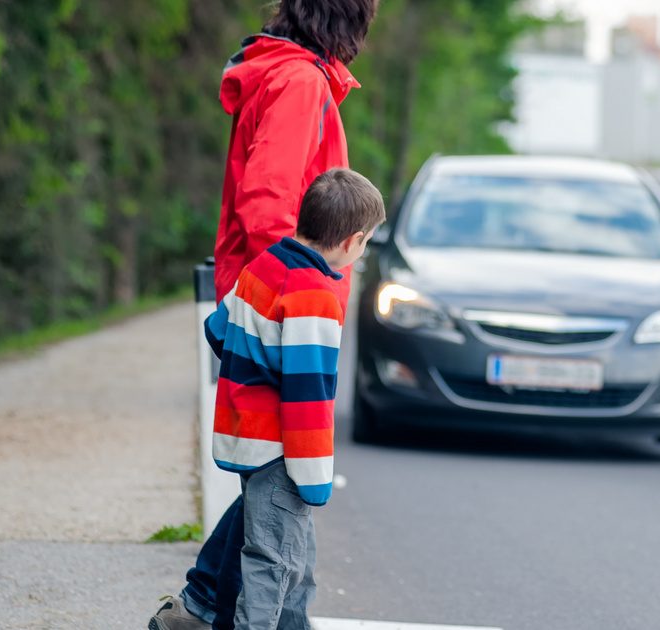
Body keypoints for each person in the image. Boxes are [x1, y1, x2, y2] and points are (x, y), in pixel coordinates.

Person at [150, 2, 376, 628]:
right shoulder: (300, 82)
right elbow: (269, 201)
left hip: (271, 302)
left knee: (270, 484)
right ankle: (217, 612)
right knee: (280, 485)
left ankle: (196, 609)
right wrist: (301, 293)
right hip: (284, 313)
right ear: (349, 23)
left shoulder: (288, 75)